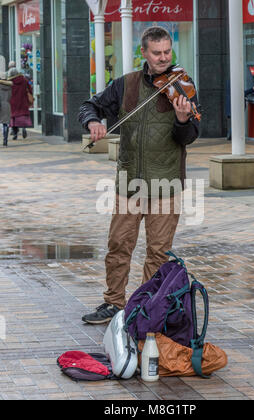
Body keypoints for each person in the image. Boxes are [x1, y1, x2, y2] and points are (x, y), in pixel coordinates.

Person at [78, 26, 200, 324]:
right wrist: (93, 121)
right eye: (156, 52)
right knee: (118, 245)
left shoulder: (182, 85)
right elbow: (89, 106)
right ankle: (113, 303)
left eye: (167, 52)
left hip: (166, 183)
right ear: (143, 53)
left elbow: (190, 135)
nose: (163, 58)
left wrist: (183, 119)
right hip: (129, 183)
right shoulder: (125, 84)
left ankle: (146, 307)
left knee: (158, 253)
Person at [7, 67, 32, 140]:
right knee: (23, 115)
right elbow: (30, 89)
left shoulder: (9, 82)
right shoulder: (24, 80)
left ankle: (15, 134)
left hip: (13, 102)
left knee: (14, 117)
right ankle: (24, 128)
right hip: (23, 100)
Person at [0, 71, 12, 147]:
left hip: (0, 104)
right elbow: (10, 96)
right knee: (6, 123)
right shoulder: (9, 86)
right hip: (7, 104)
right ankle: (5, 140)